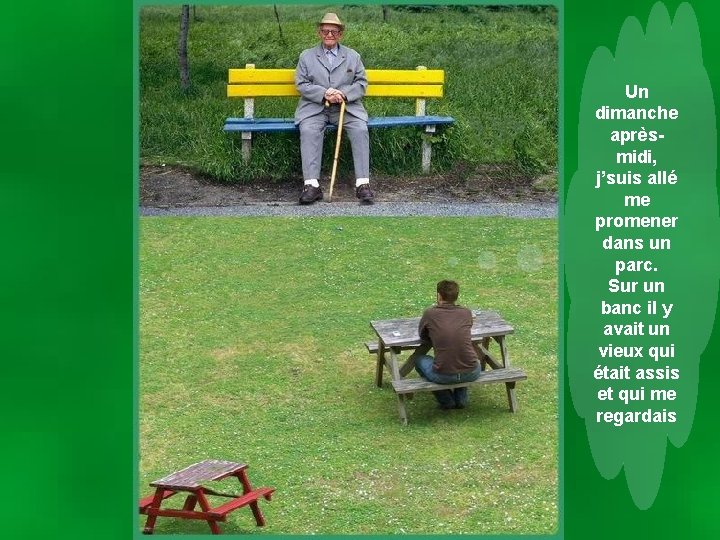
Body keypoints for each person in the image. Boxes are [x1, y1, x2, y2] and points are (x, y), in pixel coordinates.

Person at [294, 12, 375, 205]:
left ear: (340, 34)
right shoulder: (306, 56)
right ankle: (311, 186)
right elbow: (301, 84)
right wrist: (324, 93)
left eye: (334, 31)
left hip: (347, 108)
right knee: (308, 130)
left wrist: (343, 94)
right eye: (325, 31)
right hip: (315, 107)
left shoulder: (353, 56)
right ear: (319, 33)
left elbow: (362, 83)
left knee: (360, 129)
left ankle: (363, 184)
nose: (329, 34)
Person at [410, 280, 483, 409]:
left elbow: (422, 335)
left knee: (419, 359)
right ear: (456, 296)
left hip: (443, 375)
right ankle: (461, 399)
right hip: (472, 371)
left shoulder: (430, 313)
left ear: (439, 295)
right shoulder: (466, 313)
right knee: (463, 358)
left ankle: (446, 400)